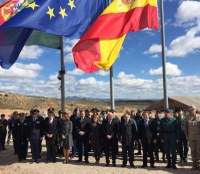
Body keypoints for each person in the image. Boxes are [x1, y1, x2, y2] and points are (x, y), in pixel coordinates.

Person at [185, 105, 200, 171]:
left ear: (195, 110)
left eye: (193, 109)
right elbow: (185, 128)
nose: (191, 111)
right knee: (193, 151)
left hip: (198, 138)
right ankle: (194, 165)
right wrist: (187, 136)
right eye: (190, 110)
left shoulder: (199, 117)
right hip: (191, 137)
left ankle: (198, 165)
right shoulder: (187, 117)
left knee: (198, 151)